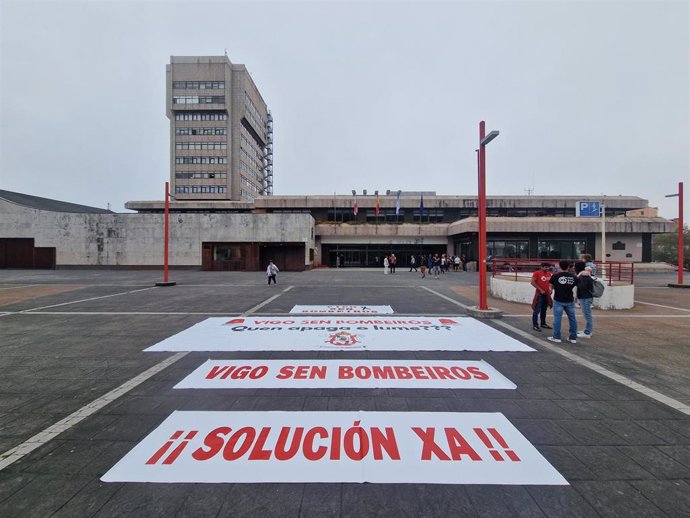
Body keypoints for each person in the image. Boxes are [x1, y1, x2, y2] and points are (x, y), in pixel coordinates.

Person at [547, 260, 578, 344]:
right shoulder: (574, 277)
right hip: (569, 300)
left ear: (559, 266)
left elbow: (550, 289)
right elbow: (578, 287)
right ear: (568, 267)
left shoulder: (555, 276)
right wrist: (576, 299)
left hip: (558, 299)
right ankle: (573, 338)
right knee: (572, 319)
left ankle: (556, 337)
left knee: (557, 319)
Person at [530, 262, 553, 332]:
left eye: (548, 267)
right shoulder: (537, 273)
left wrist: (551, 289)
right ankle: (535, 325)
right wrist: (540, 289)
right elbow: (532, 282)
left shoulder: (549, 274)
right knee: (537, 310)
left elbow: (551, 283)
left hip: (546, 294)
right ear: (541, 267)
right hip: (539, 294)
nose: (547, 268)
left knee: (544, 309)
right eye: (545, 267)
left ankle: (543, 323)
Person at [575, 261, 594, 339]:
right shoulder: (584, 274)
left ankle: (587, 332)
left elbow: (582, 286)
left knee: (587, 314)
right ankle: (587, 330)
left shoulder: (582, 275)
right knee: (587, 314)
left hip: (585, 297)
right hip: (586, 296)